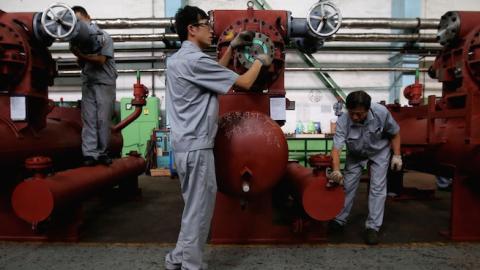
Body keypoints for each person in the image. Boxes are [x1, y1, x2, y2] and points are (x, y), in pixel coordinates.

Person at [164, 5, 272, 270]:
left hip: (184, 145)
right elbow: (244, 83)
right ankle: (191, 266)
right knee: (199, 213)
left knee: (192, 209)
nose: (211, 30)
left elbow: (213, 75)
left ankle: (176, 258)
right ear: (192, 29)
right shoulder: (195, 61)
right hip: (197, 147)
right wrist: (261, 59)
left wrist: (232, 47)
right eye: (205, 24)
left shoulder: (179, 60)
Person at [328, 90, 402, 245]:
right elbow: (336, 147)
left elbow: (395, 133)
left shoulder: (381, 113)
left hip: (379, 152)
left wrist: (397, 155)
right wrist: (336, 169)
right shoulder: (343, 120)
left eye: (359, 114)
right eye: (352, 113)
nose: (355, 117)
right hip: (355, 154)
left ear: (368, 109)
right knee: (347, 186)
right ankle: (339, 220)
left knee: (377, 188)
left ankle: (372, 228)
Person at [70, 6, 118, 166]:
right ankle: (90, 154)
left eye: (79, 20)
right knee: (89, 119)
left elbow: (101, 60)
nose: (77, 25)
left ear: (88, 17)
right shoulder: (80, 41)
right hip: (89, 82)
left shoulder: (104, 37)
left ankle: (102, 153)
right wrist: (79, 56)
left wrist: (80, 55)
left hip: (105, 82)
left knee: (102, 119)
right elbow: (82, 63)